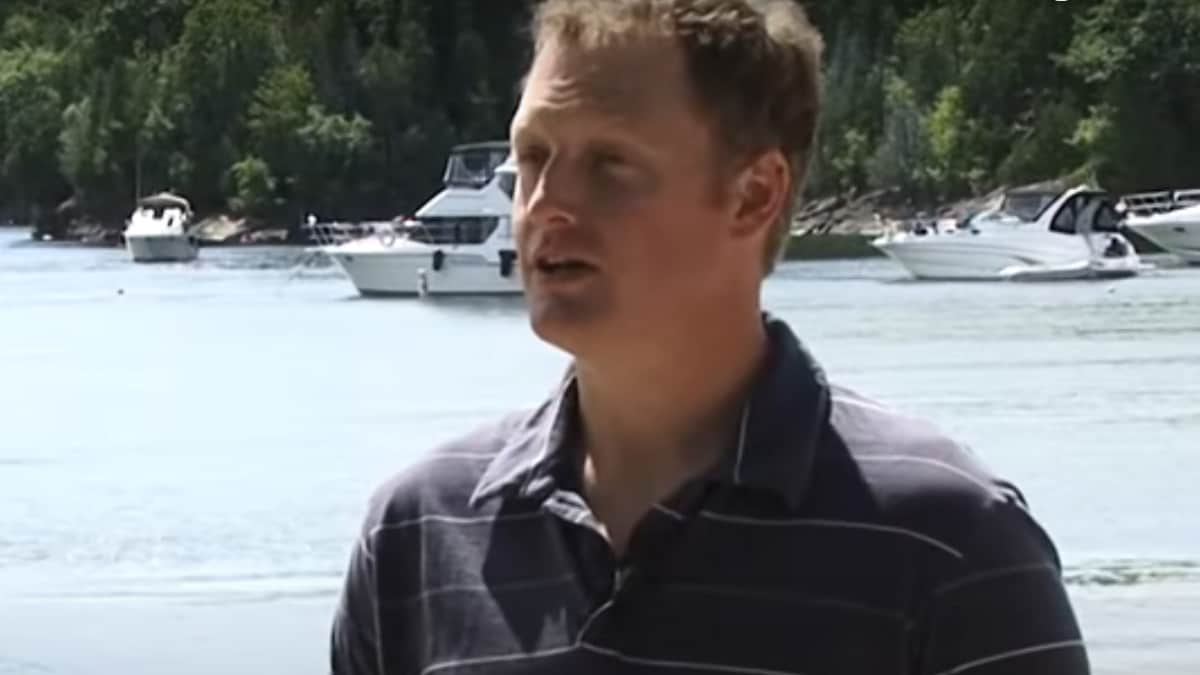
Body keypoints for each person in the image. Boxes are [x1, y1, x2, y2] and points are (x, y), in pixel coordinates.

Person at [330, 1, 1090, 673]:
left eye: (609, 163)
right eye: (532, 157)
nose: (544, 204)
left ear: (754, 194)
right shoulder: (418, 535)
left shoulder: (950, 546)